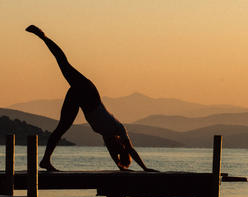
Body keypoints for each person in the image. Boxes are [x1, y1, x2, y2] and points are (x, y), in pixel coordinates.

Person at [26, 25, 156, 172]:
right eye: (119, 149)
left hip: (80, 99)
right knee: (64, 64)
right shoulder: (119, 130)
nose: (114, 149)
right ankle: (43, 36)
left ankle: (45, 161)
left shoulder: (107, 138)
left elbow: (116, 158)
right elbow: (131, 150)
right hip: (88, 92)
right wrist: (145, 168)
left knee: (61, 128)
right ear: (122, 146)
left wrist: (121, 167)